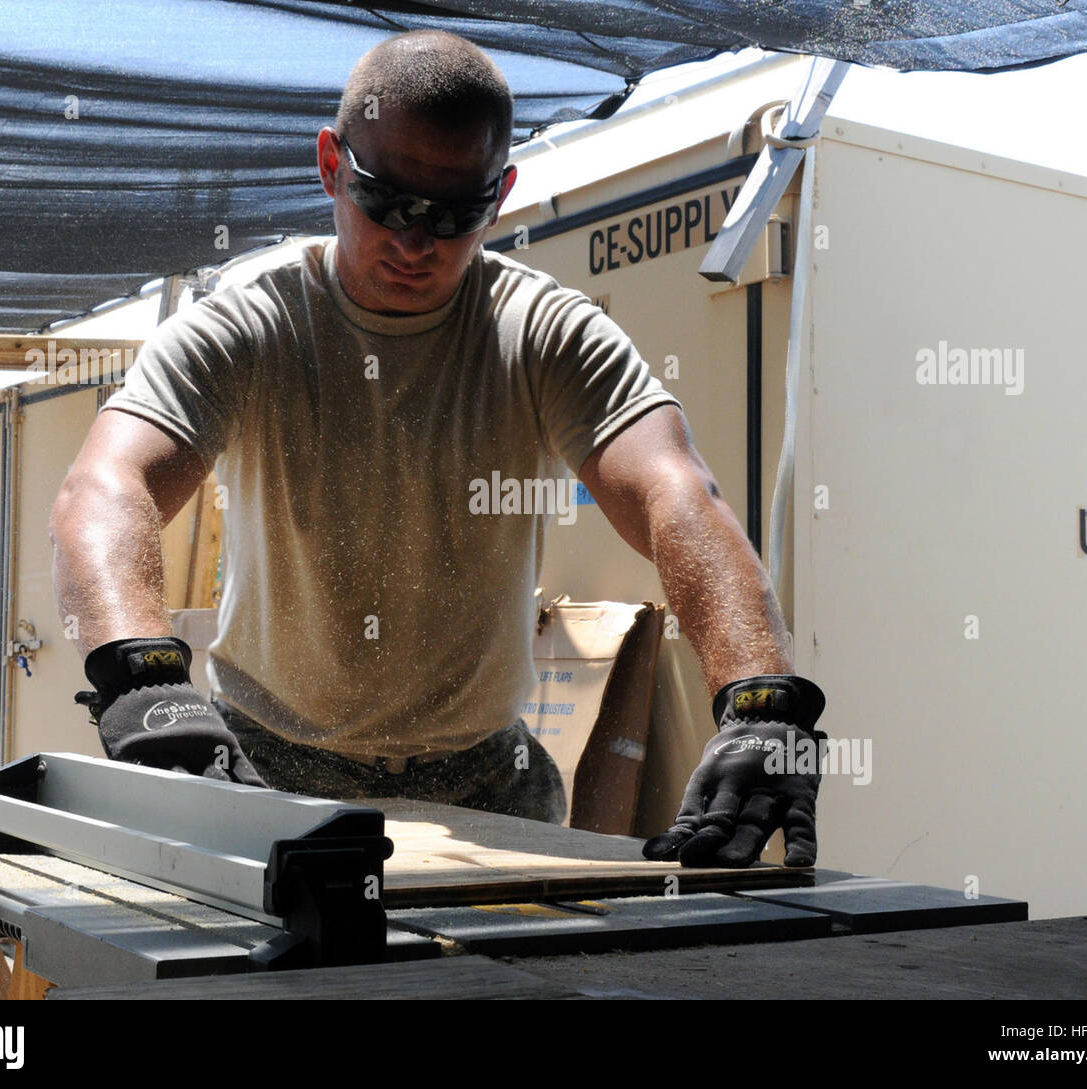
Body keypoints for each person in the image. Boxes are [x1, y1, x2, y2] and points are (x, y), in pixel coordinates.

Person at [48, 29, 828, 868]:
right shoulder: (252, 325)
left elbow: (676, 493)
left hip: (490, 779)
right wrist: (142, 674)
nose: (416, 242)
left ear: (501, 195)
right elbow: (106, 481)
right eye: (387, 201)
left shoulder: (544, 332)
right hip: (262, 770)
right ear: (330, 166)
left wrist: (760, 697)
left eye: (454, 216)